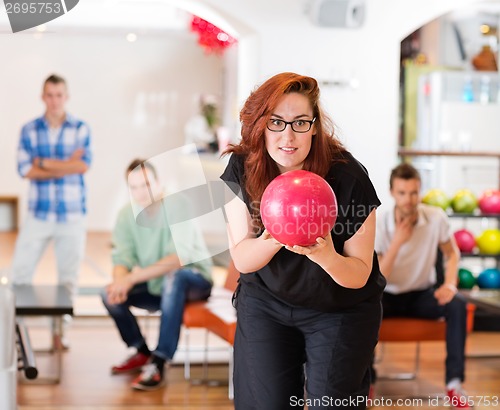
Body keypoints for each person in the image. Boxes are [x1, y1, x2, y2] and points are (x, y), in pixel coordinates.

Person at [220, 72, 386, 409]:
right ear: (261, 125)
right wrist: (278, 235)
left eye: (300, 123)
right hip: (267, 302)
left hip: (340, 309)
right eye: (276, 122)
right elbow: (242, 259)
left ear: (314, 125)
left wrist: (326, 255)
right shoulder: (243, 166)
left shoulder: (348, 177)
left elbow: (358, 274)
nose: (288, 136)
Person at [101, 159, 213, 391]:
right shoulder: (126, 215)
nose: (141, 192)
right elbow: (122, 258)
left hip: (194, 280)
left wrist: (131, 279)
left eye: (147, 184)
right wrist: (120, 280)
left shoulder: (178, 204)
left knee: (175, 277)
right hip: (157, 286)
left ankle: (160, 360)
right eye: (135, 187)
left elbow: (177, 260)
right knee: (108, 293)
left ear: (158, 182)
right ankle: (142, 352)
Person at [373, 163, 469, 408]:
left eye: (414, 193)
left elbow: (452, 253)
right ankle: (367, 382)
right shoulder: (380, 222)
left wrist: (449, 284)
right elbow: (379, 276)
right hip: (387, 296)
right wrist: (398, 242)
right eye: (402, 193)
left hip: (421, 295)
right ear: (392, 192)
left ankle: (454, 383)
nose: (409, 199)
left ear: (420, 191)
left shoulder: (435, 218)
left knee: (457, 305)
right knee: (363, 307)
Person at [12, 73, 92, 294]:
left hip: (72, 215)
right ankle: (15, 327)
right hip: (39, 214)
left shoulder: (80, 128)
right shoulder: (29, 130)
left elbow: (82, 166)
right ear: (42, 97)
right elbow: (25, 169)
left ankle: (59, 330)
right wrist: (67, 164)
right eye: (50, 95)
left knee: (68, 281)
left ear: (66, 96)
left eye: (59, 95)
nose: (54, 100)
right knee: (20, 274)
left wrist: (43, 162)